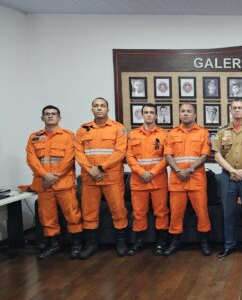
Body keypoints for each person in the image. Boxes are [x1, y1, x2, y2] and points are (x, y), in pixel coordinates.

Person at [25, 105, 83, 260]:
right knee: (47, 217)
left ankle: (76, 245)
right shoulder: (34, 137)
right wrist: (45, 175)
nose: (50, 116)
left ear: (59, 117)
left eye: (53, 114)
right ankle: (53, 245)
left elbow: (69, 158)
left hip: (64, 183)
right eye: (47, 114)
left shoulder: (69, 136)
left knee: (72, 214)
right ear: (42, 118)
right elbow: (31, 159)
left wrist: (53, 176)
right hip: (44, 185)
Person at [75, 97, 128, 258]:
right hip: (90, 178)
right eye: (96, 106)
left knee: (118, 210)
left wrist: (100, 168)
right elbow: (78, 151)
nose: (99, 108)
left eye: (102, 106)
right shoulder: (83, 129)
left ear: (108, 109)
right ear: (92, 109)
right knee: (89, 213)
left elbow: (120, 152)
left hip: (111, 177)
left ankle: (121, 243)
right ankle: (91, 244)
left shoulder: (118, 128)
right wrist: (90, 169)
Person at [213, 99, 242, 259]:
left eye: (240, 107)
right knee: (228, 213)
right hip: (227, 177)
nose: (237, 110)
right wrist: (233, 170)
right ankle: (229, 245)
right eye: (234, 108)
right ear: (230, 111)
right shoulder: (222, 131)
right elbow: (217, 155)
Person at [164, 102, 212, 256]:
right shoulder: (171, 133)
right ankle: (174, 242)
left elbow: (205, 155)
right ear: (179, 114)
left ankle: (204, 242)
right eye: (183, 111)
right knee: (176, 214)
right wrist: (178, 170)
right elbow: (168, 154)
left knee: (202, 213)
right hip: (177, 180)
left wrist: (190, 169)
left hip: (196, 179)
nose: (185, 113)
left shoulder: (203, 133)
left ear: (194, 114)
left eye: (189, 111)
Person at [126, 104, 169, 256]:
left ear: (156, 116)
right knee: (138, 213)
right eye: (146, 112)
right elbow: (129, 157)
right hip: (139, 181)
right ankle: (139, 242)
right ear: (141, 115)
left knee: (161, 212)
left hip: (158, 181)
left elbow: (167, 157)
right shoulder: (133, 134)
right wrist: (141, 172)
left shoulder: (164, 134)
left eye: (152, 112)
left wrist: (152, 172)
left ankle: (161, 243)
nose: (149, 115)